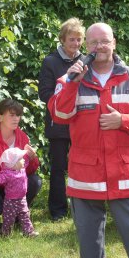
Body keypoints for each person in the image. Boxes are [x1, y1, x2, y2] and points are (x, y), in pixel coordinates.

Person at [48, 22, 129, 258]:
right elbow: (59, 115)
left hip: (125, 173)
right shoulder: (67, 79)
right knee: (89, 241)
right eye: (93, 42)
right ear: (85, 46)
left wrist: (124, 120)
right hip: (85, 174)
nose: (98, 46)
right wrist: (73, 83)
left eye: (104, 41)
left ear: (114, 43)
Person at [38, 17, 85, 221]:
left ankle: (81, 208)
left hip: (81, 122)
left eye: (79, 39)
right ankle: (57, 211)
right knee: (58, 168)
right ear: (62, 40)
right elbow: (45, 93)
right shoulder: (50, 61)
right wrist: (66, 87)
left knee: (82, 165)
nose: (75, 44)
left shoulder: (86, 60)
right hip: (57, 123)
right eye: (71, 39)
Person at [0, 99, 42, 225]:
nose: (16, 118)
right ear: (0, 117)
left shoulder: (22, 136)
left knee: (35, 181)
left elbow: (29, 170)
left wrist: (33, 158)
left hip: (12, 185)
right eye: (11, 115)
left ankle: (17, 215)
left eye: (18, 115)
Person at [0, 147, 39, 237]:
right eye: (20, 159)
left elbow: (27, 159)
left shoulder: (22, 167)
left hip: (22, 199)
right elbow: (0, 179)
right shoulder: (6, 173)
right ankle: (5, 233)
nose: (23, 160)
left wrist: (30, 153)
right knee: (9, 219)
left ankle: (29, 232)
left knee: (25, 215)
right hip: (10, 201)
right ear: (13, 163)